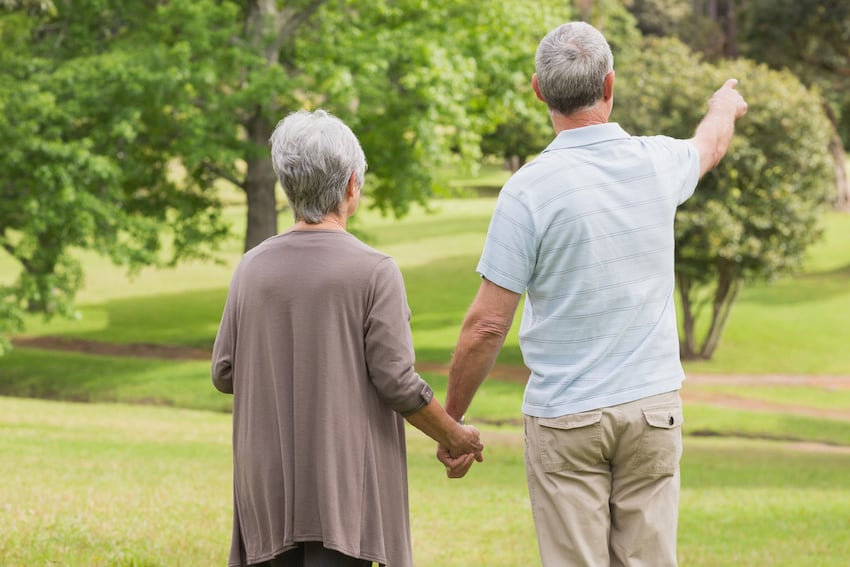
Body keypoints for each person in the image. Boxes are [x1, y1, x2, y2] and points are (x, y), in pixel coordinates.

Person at [437, 21, 748, 567]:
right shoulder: (656, 162)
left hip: (566, 417)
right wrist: (722, 105)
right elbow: (711, 143)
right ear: (609, 84)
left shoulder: (527, 191)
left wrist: (452, 423)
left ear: (539, 91)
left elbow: (487, 326)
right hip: (651, 411)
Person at [212, 109, 483, 567]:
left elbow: (224, 373)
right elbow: (397, 382)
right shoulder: (375, 271)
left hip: (267, 490)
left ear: (287, 185)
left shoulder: (251, 268)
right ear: (352, 185)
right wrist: (455, 436)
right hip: (344, 493)